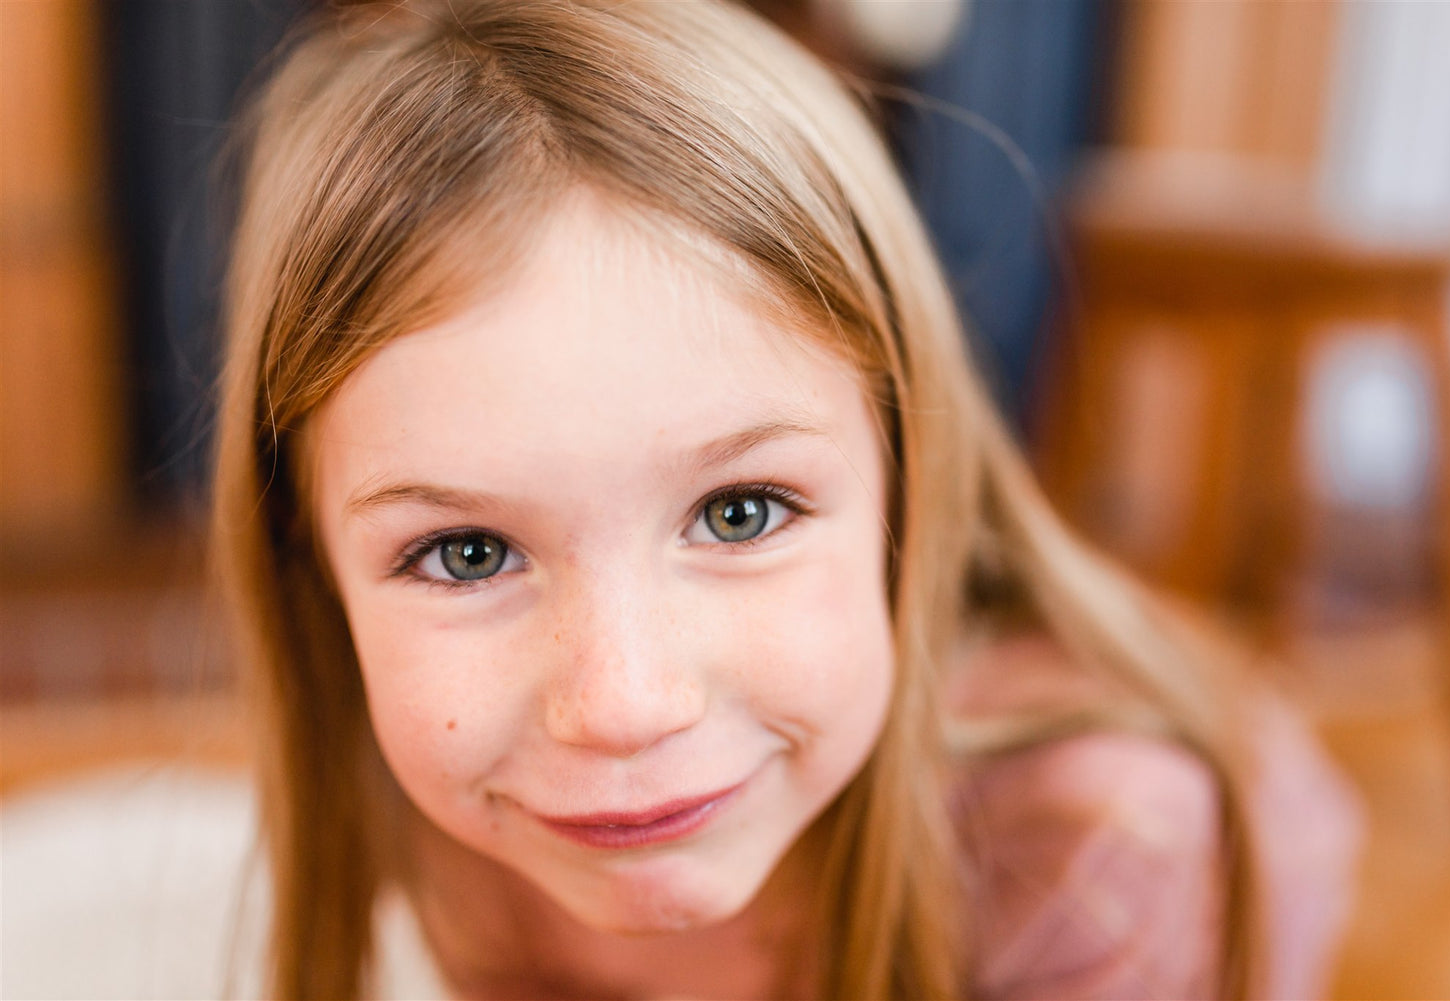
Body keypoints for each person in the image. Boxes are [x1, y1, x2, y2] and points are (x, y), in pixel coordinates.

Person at [210, 1, 1361, 998]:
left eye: (740, 511)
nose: (622, 707)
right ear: (311, 565)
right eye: (466, 551)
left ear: (910, 479)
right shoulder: (462, 787)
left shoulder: (1106, 846)